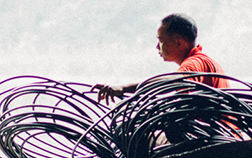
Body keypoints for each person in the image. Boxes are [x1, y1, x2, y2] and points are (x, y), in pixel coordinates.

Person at [93, 14, 228, 101]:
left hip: (210, 141)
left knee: (135, 135)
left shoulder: (194, 63)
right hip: (225, 138)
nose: (157, 47)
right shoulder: (206, 62)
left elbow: (175, 80)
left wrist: (123, 88)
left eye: (161, 40)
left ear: (178, 42)